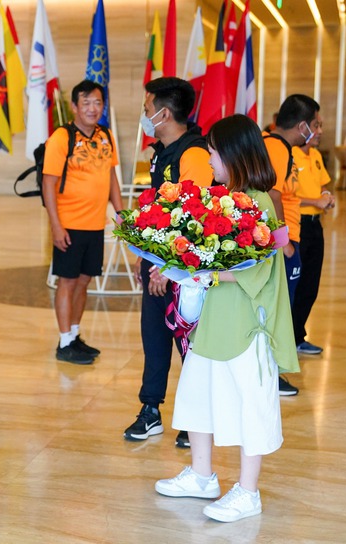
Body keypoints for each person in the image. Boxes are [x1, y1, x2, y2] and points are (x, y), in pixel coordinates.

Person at [155, 114, 300, 523]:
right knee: (198, 391)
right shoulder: (224, 197)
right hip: (215, 317)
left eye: (215, 151)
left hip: (245, 320)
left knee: (250, 401)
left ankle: (248, 492)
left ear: (234, 153)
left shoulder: (260, 200)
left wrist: (208, 272)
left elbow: (256, 268)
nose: (210, 159)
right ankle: (202, 476)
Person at [123, 77, 213, 446]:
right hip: (157, 263)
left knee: (188, 343)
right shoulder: (161, 150)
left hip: (183, 270)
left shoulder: (194, 154)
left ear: (164, 113)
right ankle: (150, 410)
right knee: (154, 338)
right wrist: (145, 258)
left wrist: (167, 267)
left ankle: (195, 420)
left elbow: (197, 217)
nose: (145, 116)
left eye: (147, 110)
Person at [41, 79, 123, 365]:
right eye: (85, 102)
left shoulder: (105, 136)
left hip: (95, 224)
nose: (92, 108)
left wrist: (121, 211)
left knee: (85, 280)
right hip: (69, 223)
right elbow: (48, 184)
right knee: (68, 281)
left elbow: (111, 177)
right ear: (74, 106)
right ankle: (64, 342)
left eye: (97, 102)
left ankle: (75, 335)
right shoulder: (62, 138)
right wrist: (56, 225)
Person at [262, 94, 321, 395]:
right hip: (283, 242)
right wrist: (284, 242)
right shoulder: (277, 147)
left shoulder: (280, 146)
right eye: (315, 125)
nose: (318, 131)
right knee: (277, 311)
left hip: (291, 237)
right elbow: (271, 194)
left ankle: (272, 372)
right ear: (301, 126)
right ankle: (271, 375)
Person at [292, 124, 335, 355]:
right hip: (298, 225)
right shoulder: (291, 154)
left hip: (315, 226)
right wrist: (313, 202)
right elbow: (285, 196)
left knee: (310, 285)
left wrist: (326, 196)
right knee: (295, 284)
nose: (320, 131)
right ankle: (287, 338)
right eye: (316, 125)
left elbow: (323, 185)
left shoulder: (316, 156)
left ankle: (298, 336)